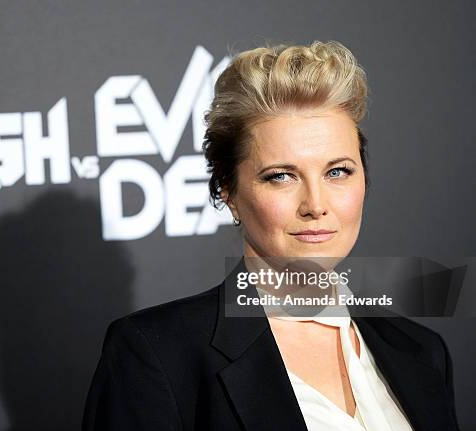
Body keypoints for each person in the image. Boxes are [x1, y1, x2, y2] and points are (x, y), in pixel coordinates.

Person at [82, 41, 460, 430]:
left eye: (338, 172)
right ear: (228, 191)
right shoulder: (158, 355)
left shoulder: (422, 351)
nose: (316, 204)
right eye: (281, 176)